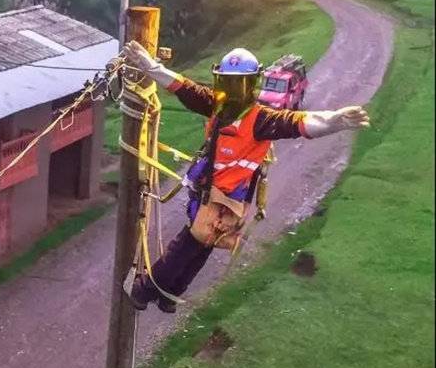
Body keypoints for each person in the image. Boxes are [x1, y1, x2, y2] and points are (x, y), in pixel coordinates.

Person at [115, 41, 370, 313]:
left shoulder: (260, 120)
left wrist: (333, 122)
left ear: (253, 85)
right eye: (227, 84)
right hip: (227, 200)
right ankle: (170, 296)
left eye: (239, 85)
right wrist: (152, 68)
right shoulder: (217, 106)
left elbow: (299, 122)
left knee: (189, 244)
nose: (231, 91)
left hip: (219, 199)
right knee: (203, 245)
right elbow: (183, 87)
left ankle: (144, 291)